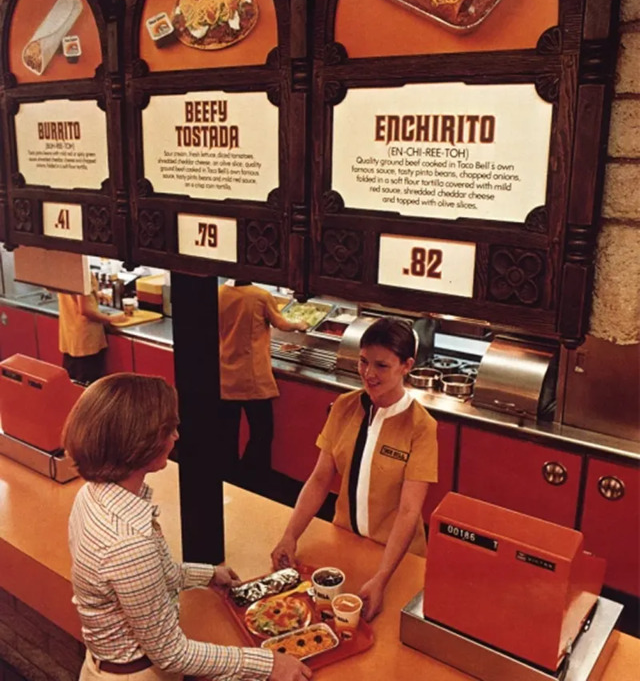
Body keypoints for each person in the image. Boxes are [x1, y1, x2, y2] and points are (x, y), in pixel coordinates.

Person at [64, 373, 311, 681]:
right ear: (138, 443)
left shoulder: (93, 494)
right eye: (168, 430)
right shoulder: (128, 542)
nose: (176, 437)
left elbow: (153, 573)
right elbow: (172, 655)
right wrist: (268, 664)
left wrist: (208, 574)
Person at [271, 317, 438, 622]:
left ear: (407, 365)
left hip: (398, 559)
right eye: (363, 362)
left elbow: (409, 511)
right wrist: (290, 535)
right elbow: (321, 478)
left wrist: (382, 578)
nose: (369, 374)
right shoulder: (344, 407)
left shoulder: (421, 427)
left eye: (382, 366)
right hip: (345, 542)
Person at [218, 281, 308, 492]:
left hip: (225, 372)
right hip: (252, 376)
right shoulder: (260, 296)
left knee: (228, 431)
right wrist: (300, 324)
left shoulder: (220, 292)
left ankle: (230, 475)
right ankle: (253, 476)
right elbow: (282, 324)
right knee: (262, 431)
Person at [58, 272, 125, 384]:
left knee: (73, 386)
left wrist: (95, 295)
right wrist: (111, 319)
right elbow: (85, 310)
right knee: (90, 387)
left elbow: (74, 296)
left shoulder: (65, 270)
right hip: (86, 340)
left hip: (71, 337)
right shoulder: (82, 273)